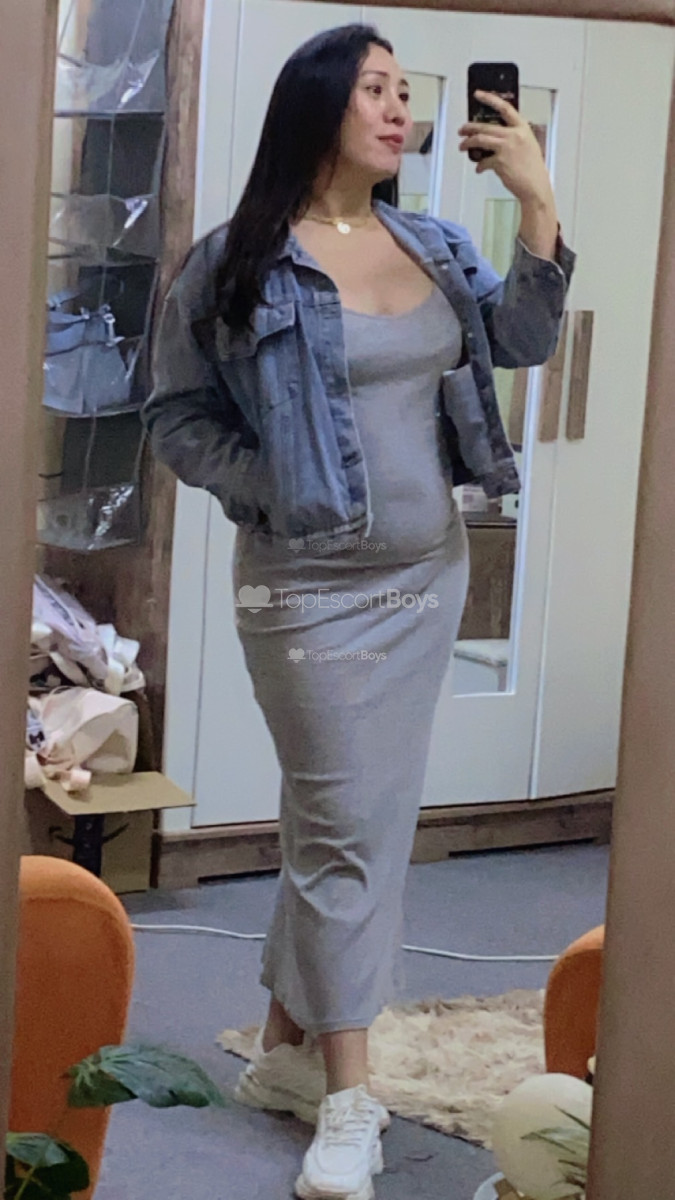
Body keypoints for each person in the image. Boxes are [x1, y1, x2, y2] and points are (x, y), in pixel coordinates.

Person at [142, 23, 575, 1200]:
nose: (398, 109)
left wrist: (536, 204)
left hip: (426, 580)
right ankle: (349, 1097)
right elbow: (175, 416)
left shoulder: (434, 243)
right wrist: (274, 483)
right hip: (306, 593)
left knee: (357, 823)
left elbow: (525, 338)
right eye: (373, 89)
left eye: (402, 92)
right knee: (346, 828)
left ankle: (285, 1052)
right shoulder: (236, 262)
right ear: (317, 107)